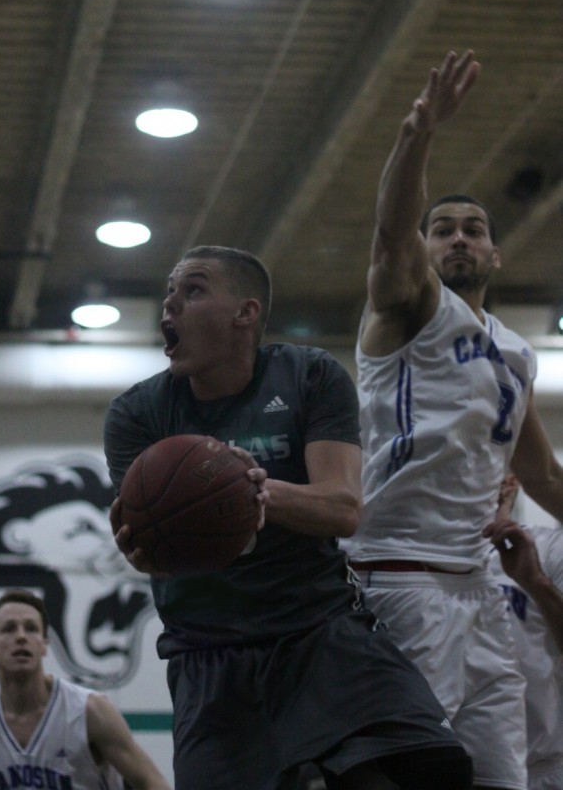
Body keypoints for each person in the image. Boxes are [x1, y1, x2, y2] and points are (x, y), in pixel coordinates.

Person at [105, 244, 473, 790]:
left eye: (193, 289)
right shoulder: (137, 413)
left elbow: (344, 509)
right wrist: (142, 545)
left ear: (245, 313)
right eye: (168, 294)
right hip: (209, 653)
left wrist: (258, 492)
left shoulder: (309, 376)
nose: (170, 305)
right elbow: (154, 541)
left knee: (426, 772)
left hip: (317, 633)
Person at [346, 49, 563, 790]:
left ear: (496, 254)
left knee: (506, 775)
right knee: (408, 775)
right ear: (427, 249)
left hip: (477, 590)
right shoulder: (407, 305)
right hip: (400, 574)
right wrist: (418, 133)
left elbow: (542, 475)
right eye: (444, 229)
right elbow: (388, 234)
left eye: (474, 229)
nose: (460, 237)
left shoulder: (517, 354)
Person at [0, 588, 172, 790]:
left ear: (44, 644)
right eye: (9, 629)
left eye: (31, 628)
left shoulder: (90, 711)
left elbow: (151, 782)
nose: (21, 637)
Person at [485, 475, 563, 790]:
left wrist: (537, 583)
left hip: (543, 766)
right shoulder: (415, 560)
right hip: (457, 762)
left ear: (511, 483)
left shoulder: (549, 547)